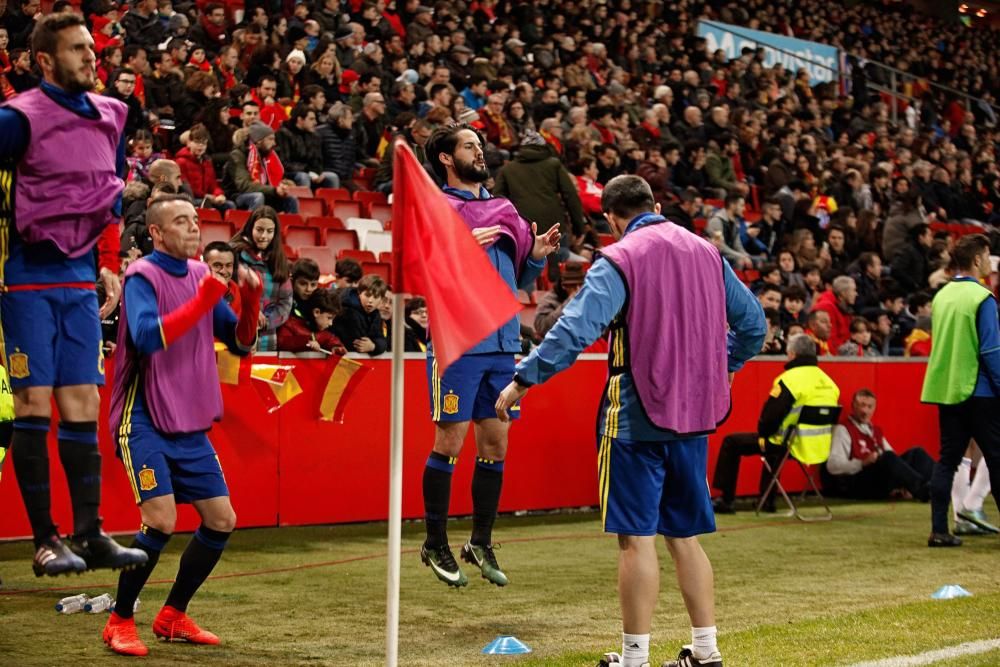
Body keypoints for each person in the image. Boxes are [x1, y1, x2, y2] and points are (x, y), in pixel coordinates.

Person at [496, 175, 766, 667]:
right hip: (694, 413)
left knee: (635, 538)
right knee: (685, 536)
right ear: (657, 205)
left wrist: (524, 379)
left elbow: (576, 326)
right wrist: (721, 364)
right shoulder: (707, 251)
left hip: (636, 414)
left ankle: (635, 658)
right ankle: (706, 651)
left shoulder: (622, 257)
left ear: (612, 219)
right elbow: (754, 325)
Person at [0, 13, 148, 576]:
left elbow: (105, 195)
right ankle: (45, 539)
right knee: (35, 403)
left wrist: (108, 264)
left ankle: (89, 534)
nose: (92, 57)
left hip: (79, 282)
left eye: (92, 48)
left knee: (83, 404)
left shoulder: (113, 113)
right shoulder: (17, 119)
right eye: (78, 50)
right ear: (44, 61)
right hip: (24, 279)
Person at [101, 195, 262, 656]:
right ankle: (118, 620)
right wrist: (208, 297)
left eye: (195, 220)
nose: (194, 228)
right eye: (181, 222)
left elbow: (238, 342)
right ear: (155, 232)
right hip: (144, 417)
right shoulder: (141, 276)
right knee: (161, 519)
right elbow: (149, 337)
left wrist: (249, 303)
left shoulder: (199, 276)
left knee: (221, 519)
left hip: (187, 422)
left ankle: (172, 615)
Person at [419, 125, 559, 589]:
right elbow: (418, 270)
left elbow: (520, 272)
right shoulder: (436, 208)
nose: (479, 152)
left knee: (496, 444)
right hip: (458, 340)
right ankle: (435, 541)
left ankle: (479, 541)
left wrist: (537, 256)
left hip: (502, 343)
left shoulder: (504, 208)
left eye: (480, 146)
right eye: (468, 146)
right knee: (451, 442)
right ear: (445, 158)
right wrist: (455, 254)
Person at [920, 234, 1000, 547]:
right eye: (987, 255)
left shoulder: (942, 296)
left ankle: (939, 529)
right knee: (996, 458)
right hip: (980, 390)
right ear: (978, 259)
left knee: (948, 460)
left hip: (947, 388)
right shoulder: (982, 297)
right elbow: (991, 349)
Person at [711, 334, 840, 514]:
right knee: (775, 442)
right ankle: (767, 501)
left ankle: (726, 500)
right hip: (819, 448)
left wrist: (764, 433)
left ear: (792, 354)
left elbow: (769, 419)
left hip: (788, 445)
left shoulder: (789, 380)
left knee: (732, 442)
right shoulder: (830, 383)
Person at [823, 389, 933, 500]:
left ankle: (943, 484)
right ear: (853, 406)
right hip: (858, 481)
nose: (865, 411)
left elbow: (895, 460)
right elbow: (832, 466)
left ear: (874, 409)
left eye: (869, 407)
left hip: (879, 480)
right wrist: (862, 463)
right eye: (862, 405)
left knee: (917, 453)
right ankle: (923, 490)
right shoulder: (843, 429)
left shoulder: (875, 431)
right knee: (887, 457)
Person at [229, 207, 292, 352]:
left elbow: (285, 303)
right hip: (235, 333)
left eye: (270, 231)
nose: (264, 236)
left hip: (267, 339)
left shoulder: (279, 261)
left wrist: (266, 321)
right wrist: (252, 312)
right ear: (250, 228)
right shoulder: (233, 254)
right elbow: (226, 293)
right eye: (259, 229)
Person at [331, 274, 389, 356]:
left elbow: (382, 340)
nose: (370, 301)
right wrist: (371, 346)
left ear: (382, 300)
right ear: (359, 294)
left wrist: (373, 346)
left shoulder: (376, 315)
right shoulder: (347, 312)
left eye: (375, 297)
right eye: (367, 295)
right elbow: (357, 344)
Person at [277, 288, 346, 354]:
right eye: (329, 318)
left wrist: (337, 347)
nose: (331, 323)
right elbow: (282, 342)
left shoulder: (324, 333)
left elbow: (332, 340)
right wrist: (306, 343)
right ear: (316, 312)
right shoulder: (291, 325)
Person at [202, 241, 242, 317]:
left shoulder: (234, 289)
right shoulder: (195, 291)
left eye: (228, 265)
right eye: (217, 265)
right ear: (203, 266)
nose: (224, 271)